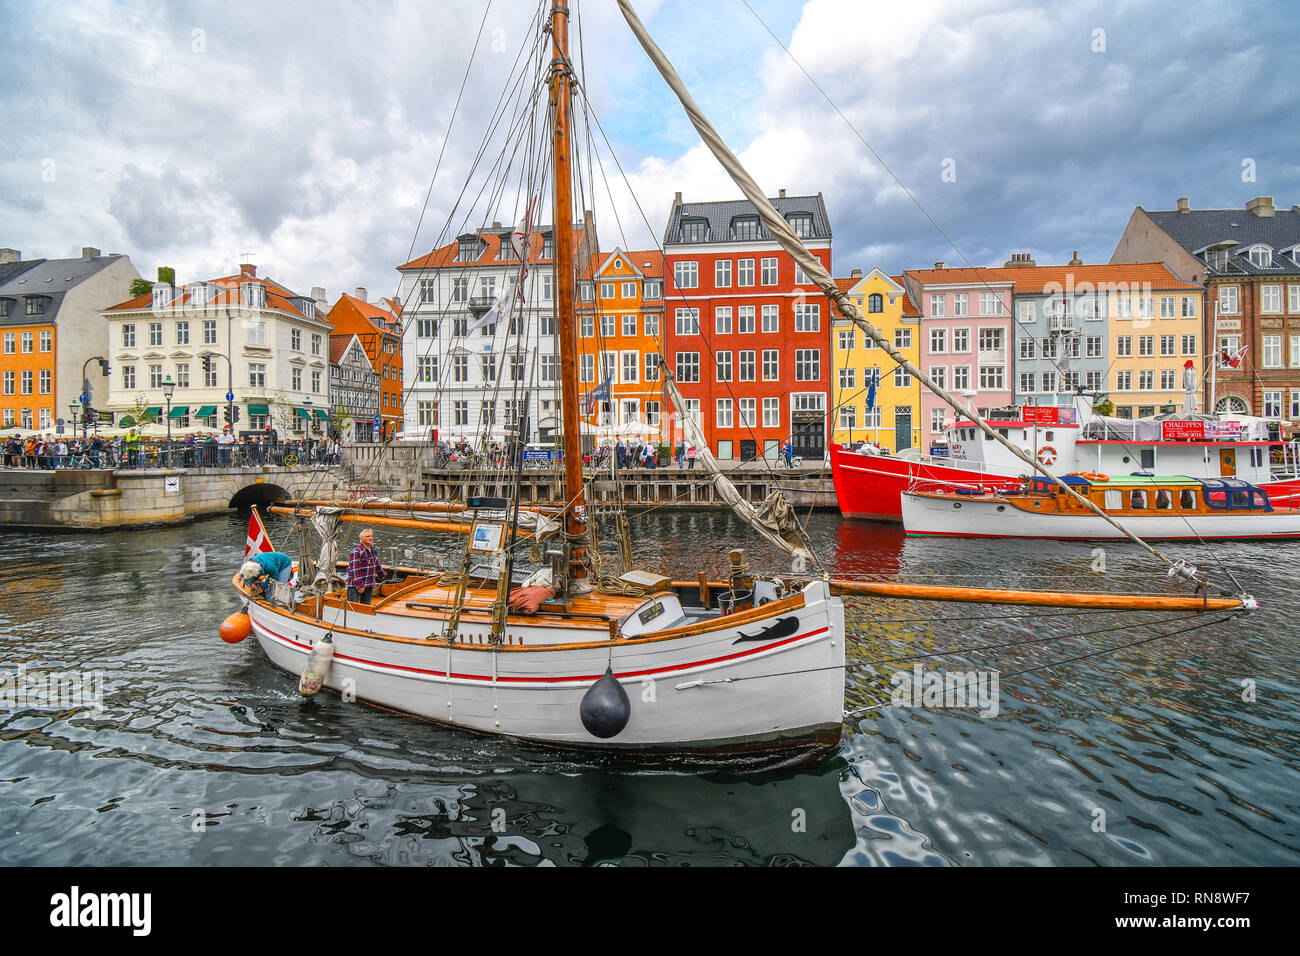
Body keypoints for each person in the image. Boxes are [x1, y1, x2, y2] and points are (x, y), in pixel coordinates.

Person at [346, 528, 384, 605]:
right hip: (355, 585)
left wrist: (382, 574)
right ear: (362, 539)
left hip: (369, 583)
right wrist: (360, 586)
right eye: (367, 536)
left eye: (371, 536)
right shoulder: (357, 552)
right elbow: (354, 570)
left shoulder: (373, 550)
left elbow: (377, 564)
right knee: (353, 607)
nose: (370, 538)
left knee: (366, 607)